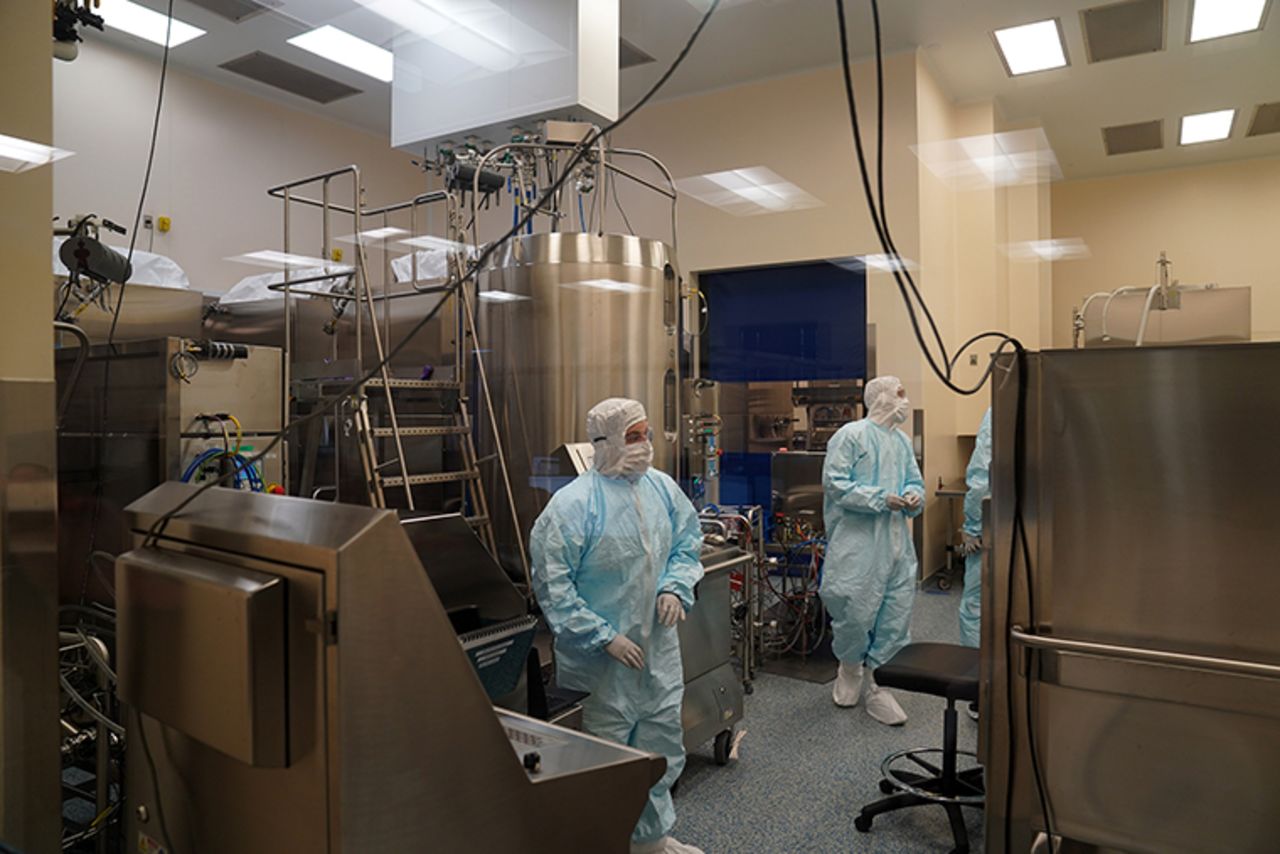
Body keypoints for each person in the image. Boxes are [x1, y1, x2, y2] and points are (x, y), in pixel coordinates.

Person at [530, 398, 705, 854]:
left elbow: (688, 543)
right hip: (600, 668)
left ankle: (651, 841)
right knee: (604, 759)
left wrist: (675, 587)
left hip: (659, 654)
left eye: (647, 434)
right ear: (604, 443)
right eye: (633, 436)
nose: (645, 445)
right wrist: (602, 636)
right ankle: (606, 842)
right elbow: (553, 587)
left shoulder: (662, 489)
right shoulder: (571, 506)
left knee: (661, 747)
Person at [821, 376, 925, 726]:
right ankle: (850, 669)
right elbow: (835, 484)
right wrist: (880, 499)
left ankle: (880, 688)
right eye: (900, 394)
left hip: (897, 545)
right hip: (858, 544)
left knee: (895, 615)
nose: (904, 401)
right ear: (880, 397)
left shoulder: (901, 442)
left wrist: (913, 497)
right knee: (853, 611)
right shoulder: (851, 436)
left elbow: (914, 479)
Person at [959, 408, 992, 649]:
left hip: (994, 530)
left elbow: (982, 482)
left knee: (976, 605)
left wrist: (973, 527)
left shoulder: (997, 413)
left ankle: (977, 670)